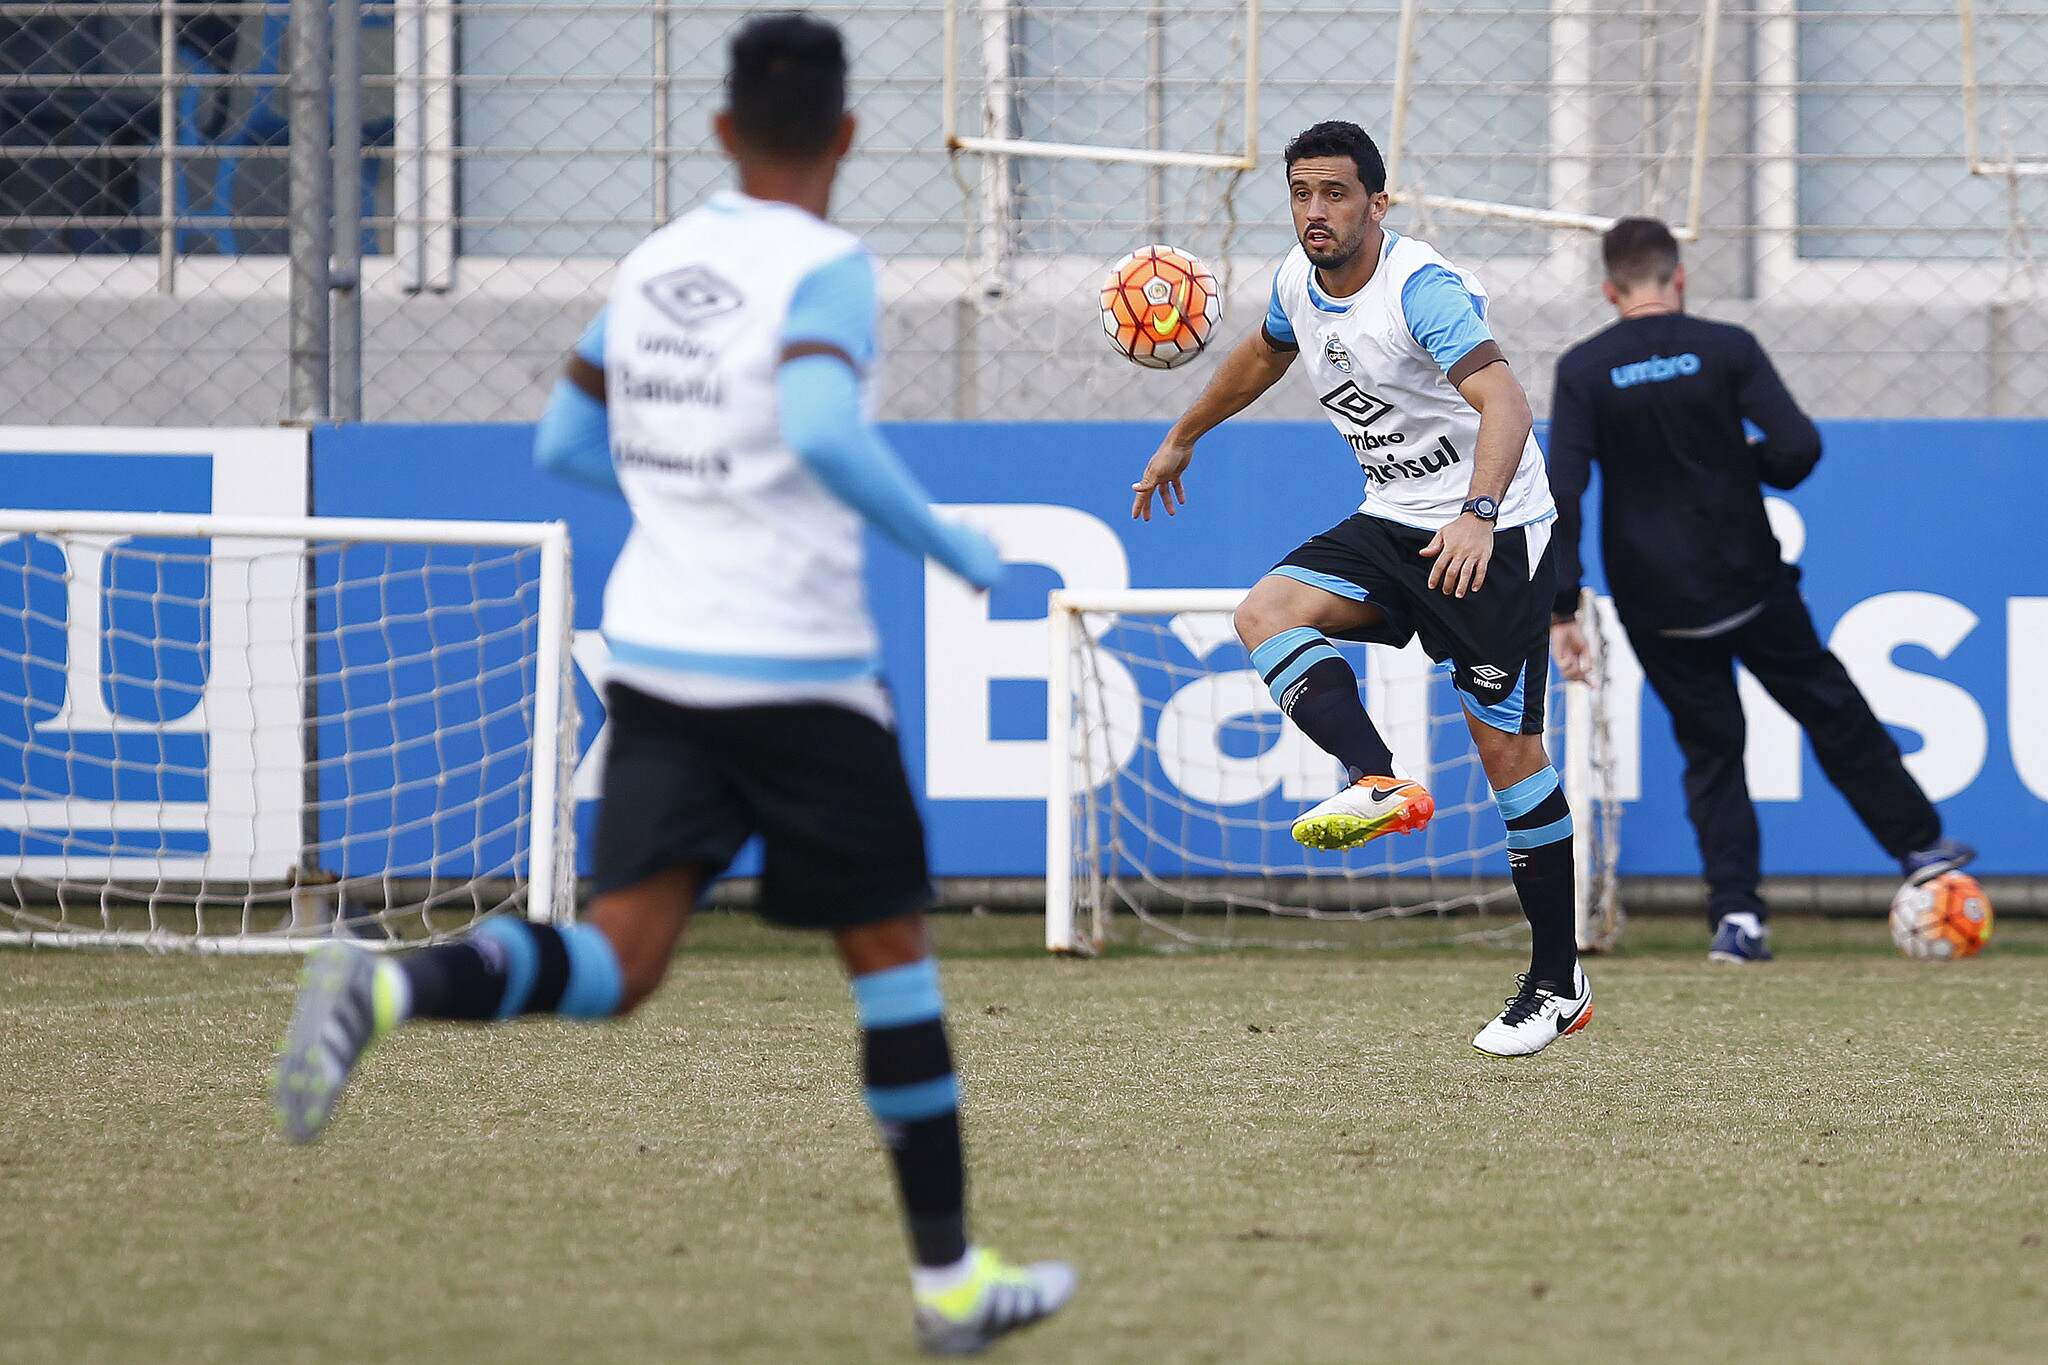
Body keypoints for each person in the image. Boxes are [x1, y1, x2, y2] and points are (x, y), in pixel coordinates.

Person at [272, 15, 1075, 1355]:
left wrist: (685, 489)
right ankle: (948, 1282)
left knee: (621, 961)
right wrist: (954, 545)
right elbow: (819, 425)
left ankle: (388, 988)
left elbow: (563, 439)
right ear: (850, 137)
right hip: (800, 673)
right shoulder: (828, 265)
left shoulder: (653, 262)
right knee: (891, 962)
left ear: (717, 131)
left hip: (658, 659)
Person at [1130, 120, 1590, 1058]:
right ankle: (1376, 779)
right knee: (1265, 611)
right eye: (1301, 193)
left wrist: (1480, 509)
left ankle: (1558, 981)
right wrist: (1187, 432)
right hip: (1393, 517)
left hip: (1491, 533)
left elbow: (1506, 400)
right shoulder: (1297, 281)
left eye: (1335, 193)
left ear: (1378, 202)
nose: (1315, 212)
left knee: (1507, 757)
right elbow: (1266, 350)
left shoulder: (1420, 291)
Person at [1546, 217, 1975, 964]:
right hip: (1749, 581)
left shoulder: (1585, 367)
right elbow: (1798, 447)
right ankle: (1917, 847)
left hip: (1658, 605)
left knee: (1713, 753)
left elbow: (1564, 490)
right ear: (1679, 278)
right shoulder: (1726, 347)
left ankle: (1738, 919)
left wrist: (1561, 605)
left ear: (1611, 289)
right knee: (1831, 708)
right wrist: (1748, 462)